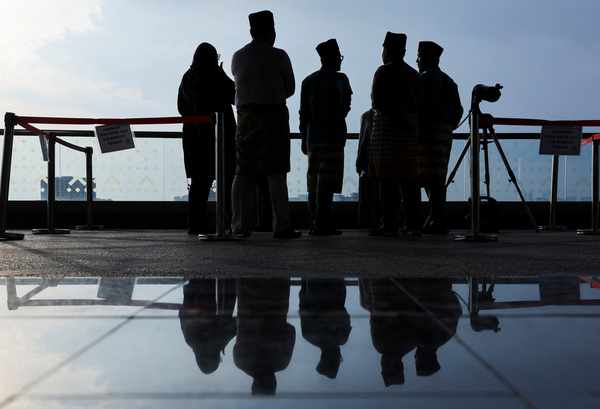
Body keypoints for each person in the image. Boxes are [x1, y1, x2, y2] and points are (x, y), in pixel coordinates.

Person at [230, 10, 301, 239]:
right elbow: (289, 88)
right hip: (274, 117)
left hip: (246, 118)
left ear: (251, 31)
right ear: (272, 31)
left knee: (244, 172)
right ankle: (281, 225)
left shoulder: (237, 56)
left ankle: (239, 226)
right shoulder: (279, 55)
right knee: (276, 173)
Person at [368, 32, 424, 237]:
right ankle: (413, 224)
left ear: (387, 50)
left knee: (387, 178)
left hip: (388, 130)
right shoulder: (414, 75)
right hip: (410, 132)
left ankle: (390, 223)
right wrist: (409, 125)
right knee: (409, 180)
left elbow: (378, 102)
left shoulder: (383, 71)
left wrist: (398, 121)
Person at [177, 43, 236, 234]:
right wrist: (223, 72)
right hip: (219, 137)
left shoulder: (187, 77)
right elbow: (235, 95)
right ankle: (230, 223)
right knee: (227, 182)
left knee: (199, 184)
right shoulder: (215, 74)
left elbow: (181, 108)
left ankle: (195, 224)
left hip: (193, 137)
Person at [299, 39, 352, 235]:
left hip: (312, 138)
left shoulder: (308, 81)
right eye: (339, 57)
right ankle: (323, 221)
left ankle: (313, 220)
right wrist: (340, 115)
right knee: (327, 181)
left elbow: (303, 113)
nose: (340, 61)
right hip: (332, 136)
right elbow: (345, 98)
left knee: (314, 180)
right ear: (330, 58)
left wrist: (304, 137)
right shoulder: (339, 78)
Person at [417, 41, 463, 234]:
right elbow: (459, 110)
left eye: (419, 57)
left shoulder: (423, 79)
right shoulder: (449, 81)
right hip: (445, 133)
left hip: (427, 131)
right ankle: (435, 217)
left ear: (428, 58)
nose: (417, 61)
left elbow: (418, 106)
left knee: (428, 176)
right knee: (438, 174)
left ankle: (437, 218)